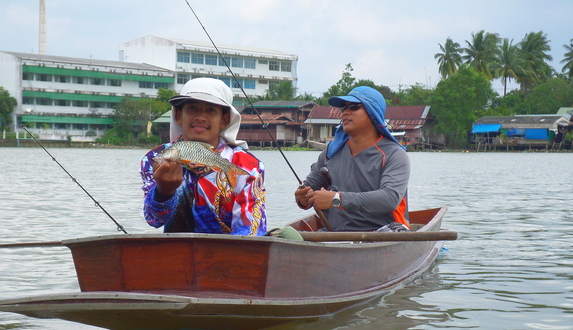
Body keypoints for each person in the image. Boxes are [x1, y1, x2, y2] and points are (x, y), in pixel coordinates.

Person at [140, 78, 266, 235]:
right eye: (192, 108)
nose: (200, 117)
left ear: (224, 120)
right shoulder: (154, 158)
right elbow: (154, 220)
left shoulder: (248, 165)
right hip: (176, 252)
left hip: (228, 253)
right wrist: (164, 191)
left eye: (211, 110)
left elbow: (250, 231)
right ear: (179, 116)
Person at [294, 86, 409, 232]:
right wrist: (303, 198)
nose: (346, 112)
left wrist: (336, 199)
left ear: (373, 113)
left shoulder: (395, 154)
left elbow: (389, 199)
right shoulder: (331, 152)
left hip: (382, 233)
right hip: (335, 236)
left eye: (354, 107)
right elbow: (311, 188)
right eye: (343, 108)